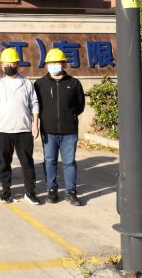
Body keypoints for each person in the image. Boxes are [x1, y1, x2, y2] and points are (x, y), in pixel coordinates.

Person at [0, 47, 40, 205]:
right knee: (4, 163)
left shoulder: (26, 83)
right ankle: (6, 192)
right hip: (3, 130)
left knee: (27, 163)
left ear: (17, 64)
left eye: (12, 63)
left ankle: (30, 192)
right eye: (6, 64)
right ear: (2, 65)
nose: (9, 66)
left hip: (24, 130)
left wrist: (35, 124)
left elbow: (34, 104)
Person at [34, 48, 85, 206]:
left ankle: (71, 192)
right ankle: (52, 190)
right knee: (50, 161)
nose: (54, 65)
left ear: (63, 63)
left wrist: (70, 116)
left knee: (69, 162)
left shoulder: (74, 83)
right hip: (48, 131)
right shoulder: (40, 84)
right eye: (51, 62)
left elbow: (80, 105)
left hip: (69, 131)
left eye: (57, 62)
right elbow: (36, 106)